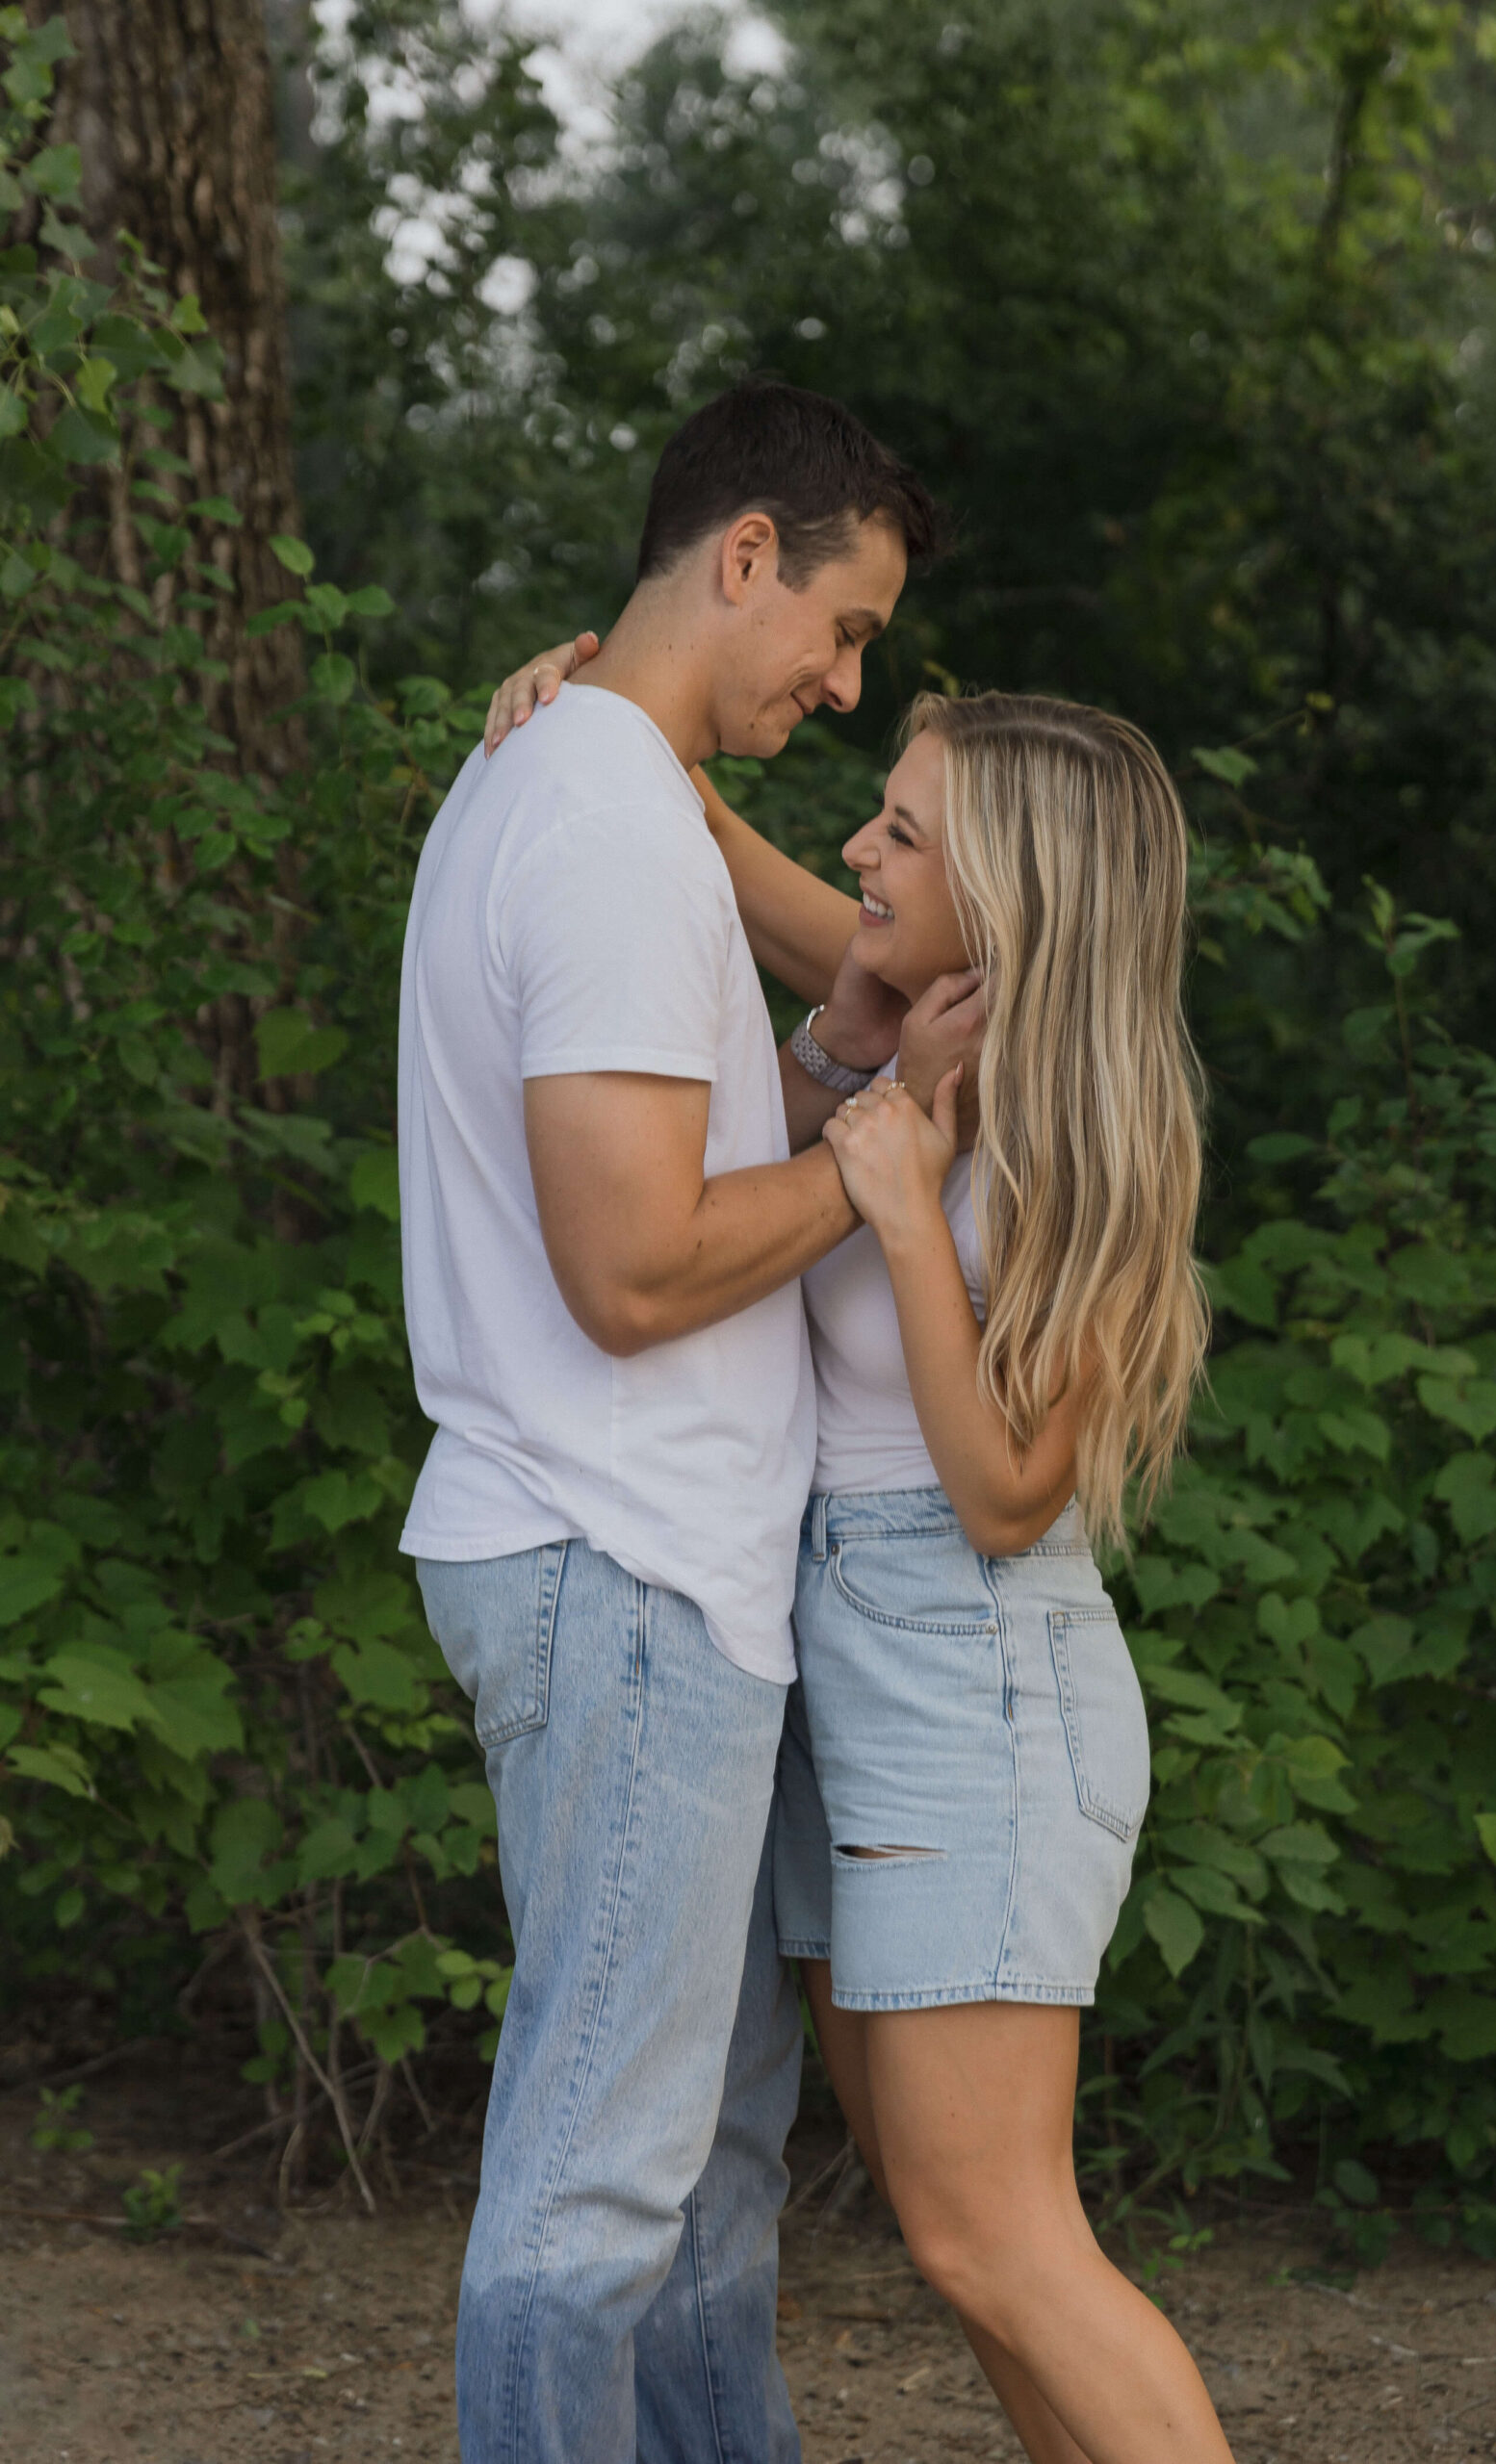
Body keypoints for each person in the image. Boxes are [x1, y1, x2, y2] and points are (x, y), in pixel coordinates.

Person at [487, 648, 1234, 2459]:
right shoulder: (937, 1005)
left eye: (902, 831)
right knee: (958, 2236)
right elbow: (725, 848)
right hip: (862, 1661)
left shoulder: (1071, 1126)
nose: (863, 850)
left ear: (1016, 893)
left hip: (972, 1669)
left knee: (1001, 2236)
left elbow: (1006, 1494)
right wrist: (604, 717)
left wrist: (897, 1207)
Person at [399, 376, 961, 2463]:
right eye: (840, 627)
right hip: (616, 1557)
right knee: (597, 2186)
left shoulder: (602, 797)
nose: (838, 680)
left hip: (662, 1582)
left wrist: (841, 1085)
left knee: (702, 2173)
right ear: (744, 553)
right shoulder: (604, 822)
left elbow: (719, 1136)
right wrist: (888, 1153)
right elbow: (629, 1264)